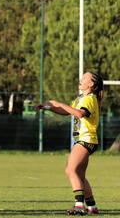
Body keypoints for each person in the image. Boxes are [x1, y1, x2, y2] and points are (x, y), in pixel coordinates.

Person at [36, 71, 103, 216]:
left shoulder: (89, 99)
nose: (81, 79)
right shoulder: (81, 98)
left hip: (85, 140)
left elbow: (79, 113)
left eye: (85, 78)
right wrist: (49, 107)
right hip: (86, 140)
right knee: (79, 175)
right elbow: (67, 111)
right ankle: (92, 206)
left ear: (91, 84)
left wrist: (58, 103)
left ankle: (79, 206)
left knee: (70, 170)